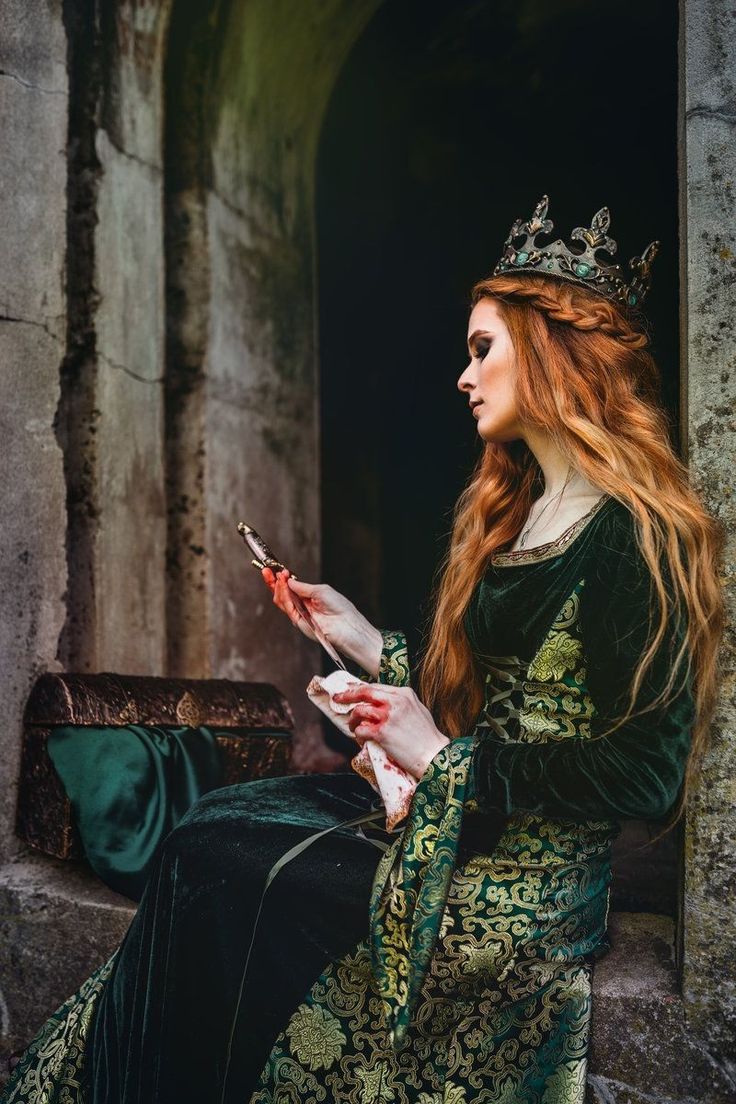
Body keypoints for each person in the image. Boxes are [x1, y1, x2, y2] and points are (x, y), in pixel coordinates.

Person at [1, 196, 724, 1104]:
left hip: (523, 896)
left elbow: (647, 773)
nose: (464, 377)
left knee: (225, 867)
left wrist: (443, 760)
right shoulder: (526, 509)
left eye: (482, 348)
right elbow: (504, 695)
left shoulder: (633, 536)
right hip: (454, 826)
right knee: (211, 829)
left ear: (551, 354)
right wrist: (365, 643)